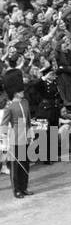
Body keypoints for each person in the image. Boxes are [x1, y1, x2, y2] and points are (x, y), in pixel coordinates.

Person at [2, 69, 30, 199]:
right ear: (15, 92)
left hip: (25, 137)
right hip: (14, 138)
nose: (23, 92)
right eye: (20, 90)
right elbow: (4, 124)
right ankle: (16, 190)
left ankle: (24, 188)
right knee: (15, 167)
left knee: (25, 164)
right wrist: (5, 140)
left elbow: (28, 120)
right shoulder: (10, 106)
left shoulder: (25, 103)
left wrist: (30, 134)